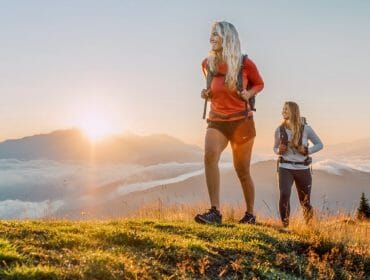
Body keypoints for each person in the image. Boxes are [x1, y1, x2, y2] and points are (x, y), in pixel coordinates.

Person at [194, 21, 264, 225]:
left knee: (241, 170)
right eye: (211, 34)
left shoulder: (245, 64)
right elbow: (213, 87)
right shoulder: (207, 63)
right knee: (209, 156)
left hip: (242, 122)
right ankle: (215, 212)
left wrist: (248, 93)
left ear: (227, 38)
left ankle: (250, 214)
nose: (211, 38)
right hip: (217, 120)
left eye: (215, 34)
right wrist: (206, 93)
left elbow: (260, 83)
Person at [273, 101, 323, 227]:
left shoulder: (306, 129)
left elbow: (319, 144)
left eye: (286, 109)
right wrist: (278, 150)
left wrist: (307, 151)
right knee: (284, 194)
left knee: (305, 201)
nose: (283, 111)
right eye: (283, 109)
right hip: (285, 167)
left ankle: (310, 228)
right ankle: (285, 227)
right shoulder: (279, 130)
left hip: (303, 168)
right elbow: (274, 148)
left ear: (294, 111)